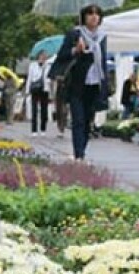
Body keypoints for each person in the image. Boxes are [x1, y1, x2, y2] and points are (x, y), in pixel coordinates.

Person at [49, 4, 109, 162]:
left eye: (97, 14)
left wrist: (105, 84)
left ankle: (81, 150)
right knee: (78, 120)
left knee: (88, 121)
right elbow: (61, 56)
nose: (94, 17)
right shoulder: (75, 33)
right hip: (76, 84)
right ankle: (79, 155)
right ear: (84, 17)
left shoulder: (102, 37)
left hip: (95, 84)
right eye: (90, 14)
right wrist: (75, 50)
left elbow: (102, 62)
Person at [26, 51, 51, 136]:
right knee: (34, 110)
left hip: (45, 89)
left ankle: (43, 129)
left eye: (44, 56)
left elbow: (50, 78)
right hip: (35, 89)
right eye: (41, 56)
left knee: (44, 110)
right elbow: (29, 77)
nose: (43, 58)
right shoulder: (33, 65)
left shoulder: (48, 66)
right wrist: (27, 90)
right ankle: (34, 130)